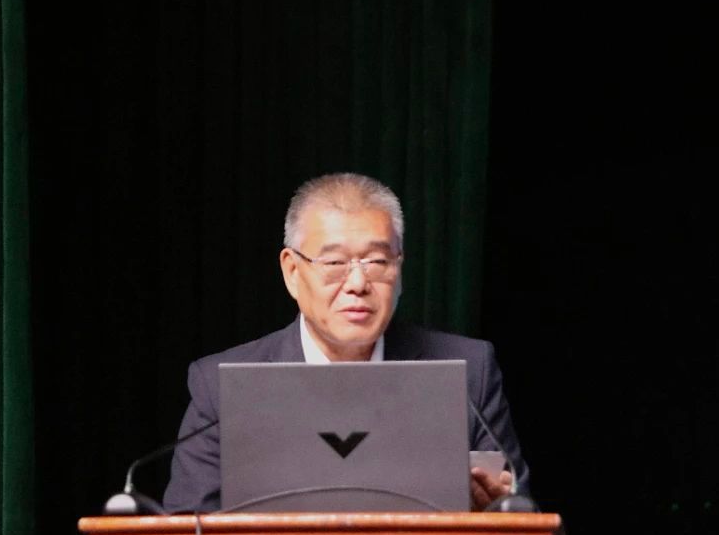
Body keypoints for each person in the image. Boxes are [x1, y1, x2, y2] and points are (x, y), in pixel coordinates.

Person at [162, 172, 529, 514]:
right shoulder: (222, 386)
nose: (357, 283)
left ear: (399, 268)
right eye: (335, 262)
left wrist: (500, 511)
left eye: (377, 261)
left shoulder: (470, 371)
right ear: (292, 271)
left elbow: (523, 522)